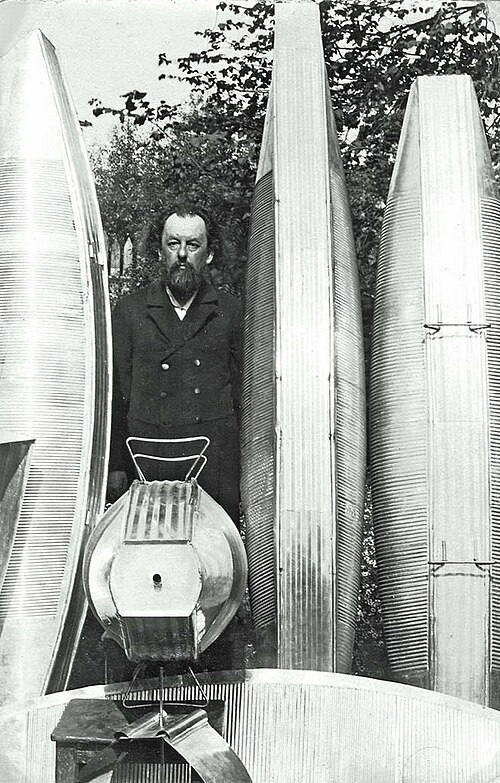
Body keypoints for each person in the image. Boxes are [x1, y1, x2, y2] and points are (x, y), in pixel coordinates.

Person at [107, 204, 242, 524]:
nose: (182, 254)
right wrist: (115, 466)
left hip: (213, 472)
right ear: (159, 251)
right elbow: (115, 397)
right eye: (173, 244)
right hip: (147, 467)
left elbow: (244, 399)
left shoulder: (231, 312)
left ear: (208, 254)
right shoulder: (131, 311)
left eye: (193, 245)